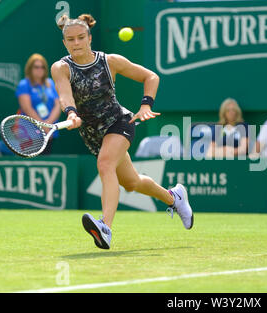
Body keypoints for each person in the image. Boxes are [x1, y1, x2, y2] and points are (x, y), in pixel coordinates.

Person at [52, 14, 193, 250]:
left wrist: (146, 105)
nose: (75, 43)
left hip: (119, 122)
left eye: (80, 38)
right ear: (64, 42)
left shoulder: (110, 61)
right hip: (92, 134)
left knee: (105, 165)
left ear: (89, 37)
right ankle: (174, 197)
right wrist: (71, 113)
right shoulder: (61, 67)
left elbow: (151, 76)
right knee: (132, 182)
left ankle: (104, 227)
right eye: (70, 39)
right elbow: (65, 93)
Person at [15, 53, 61, 154]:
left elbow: (58, 105)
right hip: (29, 134)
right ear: (30, 68)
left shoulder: (50, 83)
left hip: (49, 131)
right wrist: (43, 126)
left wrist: (48, 125)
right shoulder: (24, 84)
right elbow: (27, 108)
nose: (40, 69)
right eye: (36, 67)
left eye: (42, 67)